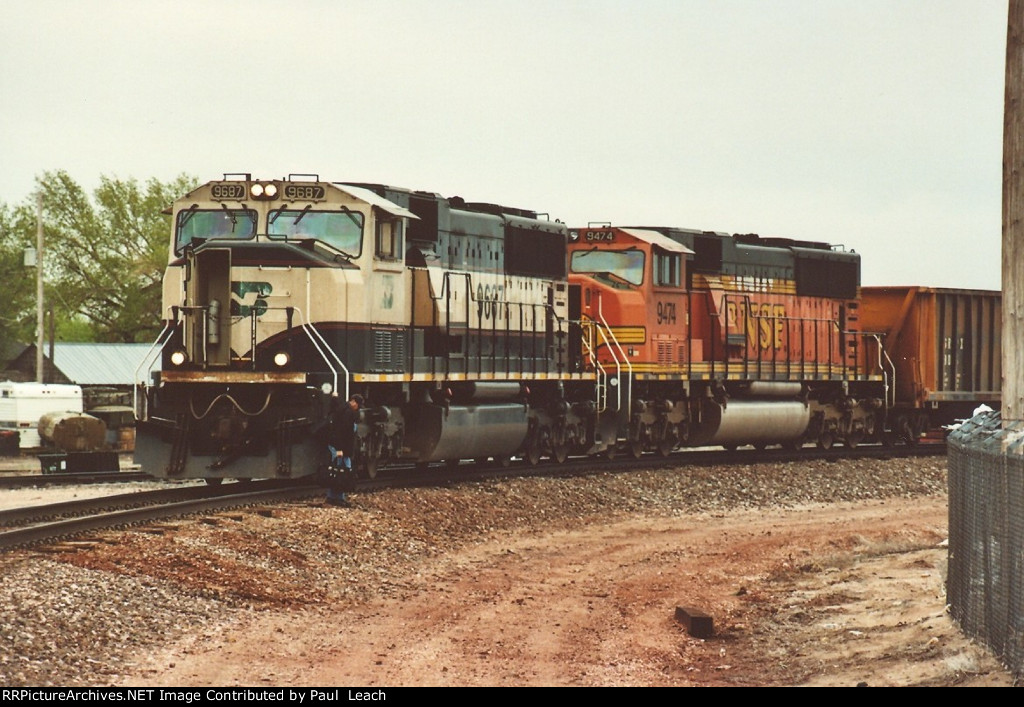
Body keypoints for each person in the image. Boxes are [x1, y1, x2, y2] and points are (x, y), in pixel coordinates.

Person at [325, 393, 363, 507]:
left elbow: (334, 408)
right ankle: (338, 498)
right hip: (341, 447)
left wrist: (334, 398)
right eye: (358, 405)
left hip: (337, 445)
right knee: (343, 471)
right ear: (354, 403)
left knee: (336, 471)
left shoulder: (342, 408)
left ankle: (332, 497)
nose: (358, 408)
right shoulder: (348, 414)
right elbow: (343, 432)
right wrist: (340, 449)